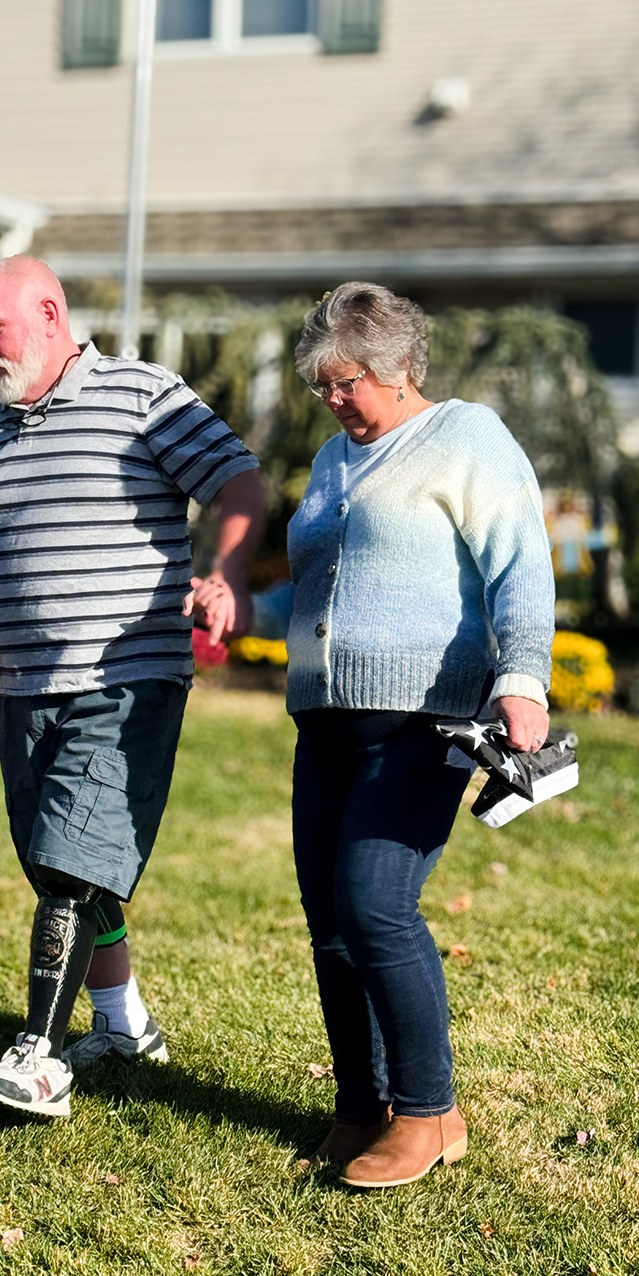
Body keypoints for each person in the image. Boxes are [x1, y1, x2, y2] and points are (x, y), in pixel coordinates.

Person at [0, 256, 263, 1118]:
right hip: (25, 684)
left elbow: (239, 479)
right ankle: (123, 1023)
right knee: (56, 862)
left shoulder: (143, 395)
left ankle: (41, 1057)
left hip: (125, 674)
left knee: (71, 861)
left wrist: (228, 574)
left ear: (49, 311)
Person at [213, 282, 554, 1189]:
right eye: (323, 385)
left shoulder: (466, 437)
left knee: (375, 905)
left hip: (425, 717)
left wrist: (524, 680)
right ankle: (360, 1108)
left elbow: (521, 562)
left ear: (400, 368)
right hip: (325, 718)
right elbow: (316, 595)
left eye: (348, 381)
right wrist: (244, 608)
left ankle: (431, 1112)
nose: (334, 400)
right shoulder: (332, 460)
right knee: (330, 924)